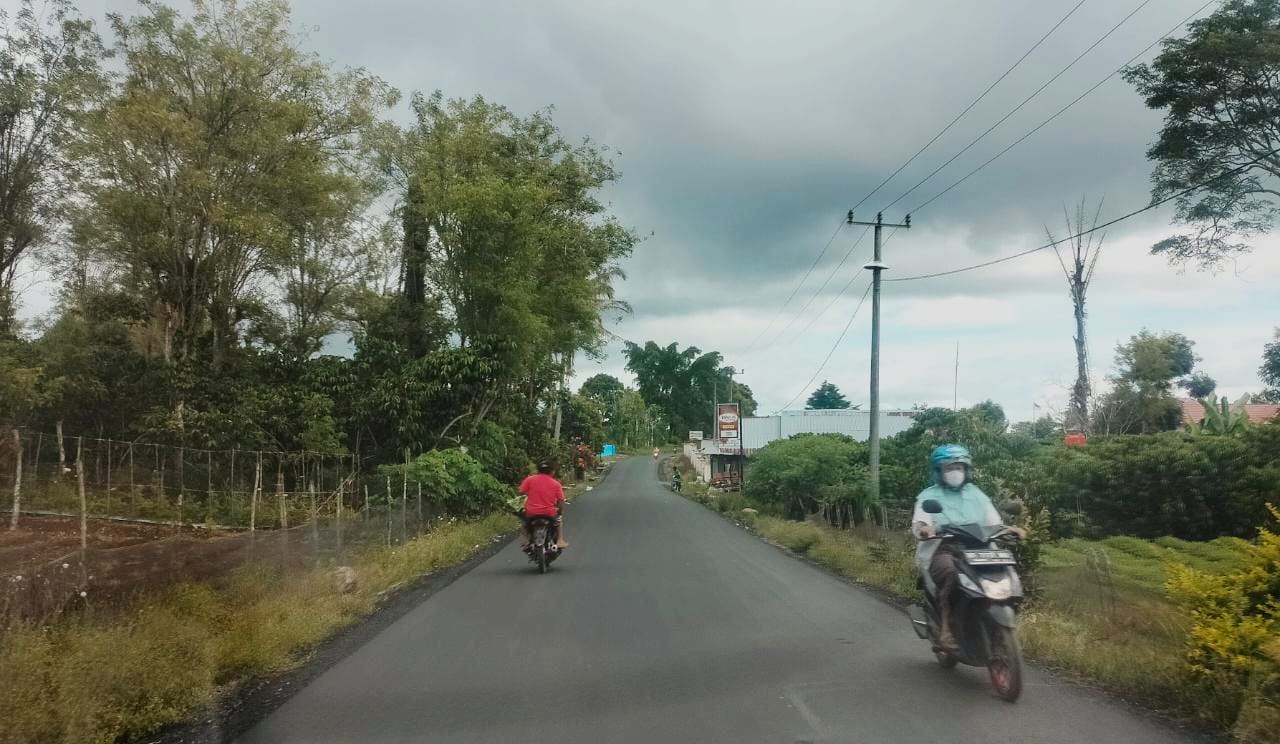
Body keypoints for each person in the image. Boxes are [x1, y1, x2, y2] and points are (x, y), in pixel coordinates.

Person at [911, 443, 1024, 651]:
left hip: (980, 548)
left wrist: (1010, 529)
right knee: (953, 574)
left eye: (959, 468)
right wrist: (926, 529)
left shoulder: (976, 494)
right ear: (939, 471)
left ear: (966, 470)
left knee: (1005, 571)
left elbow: (993, 521)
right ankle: (946, 629)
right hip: (944, 549)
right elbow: (920, 524)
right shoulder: (928, 496)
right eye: (950, 468)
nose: (955, 472)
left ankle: (993, 619)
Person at [519, 461, 569, 549]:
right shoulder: (555, 483)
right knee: (559, 520)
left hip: (531, 512)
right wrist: (560, 511)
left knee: (524, 522)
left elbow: (521, 491)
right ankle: (560, 540)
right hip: (549, 513)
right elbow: (561, 500)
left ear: (538, 470)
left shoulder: (530, 479)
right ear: (552, 471)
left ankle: (525, 540)